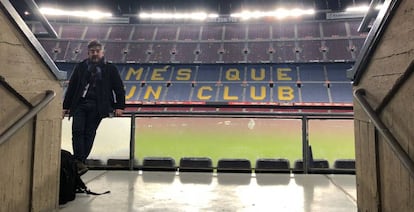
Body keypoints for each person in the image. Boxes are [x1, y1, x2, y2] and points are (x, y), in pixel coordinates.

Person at [63, 40, 125, 175]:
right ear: (88, 53)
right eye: (92, 52)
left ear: (102, 53)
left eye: (97, 51)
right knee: (77, 132)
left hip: (99, 106)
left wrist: (120, 106)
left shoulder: (110, 68)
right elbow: (72, 88)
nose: (95, 54)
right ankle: (80, 162)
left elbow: (119, 88)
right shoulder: (81, 67)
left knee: (89, 133)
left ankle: (79, 162)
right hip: (80, 104)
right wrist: (65, 107)